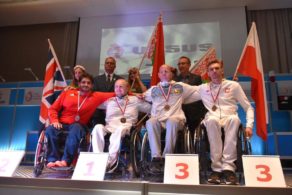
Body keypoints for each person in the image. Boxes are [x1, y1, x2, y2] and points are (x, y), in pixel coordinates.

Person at [197, 59, 254, 185]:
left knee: (234, 119)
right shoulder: (202, 88)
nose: (214, 71)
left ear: (222, 70)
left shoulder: (234, 85)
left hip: (229, 116)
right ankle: (216, 168)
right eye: (211, 69)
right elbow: (183, 93)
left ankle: (228, 169)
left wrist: (249, 126)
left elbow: (248, 107)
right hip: (213, 116)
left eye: (217, 68)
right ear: (208, 73)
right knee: (211, 120)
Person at [45, 73, 115, 168]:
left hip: (79, 125)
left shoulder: (96, 96)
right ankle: (52, 159)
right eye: (83, 82)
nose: (86, 84)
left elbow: (118, 92)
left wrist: (136, 94)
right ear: (79, 83)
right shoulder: (67, 93)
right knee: (50, 129)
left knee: (76, 128)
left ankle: (65, 161)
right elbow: (52, 109)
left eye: (88, 83)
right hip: (61, 123)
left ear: (92, 85)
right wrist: (54, 121)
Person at [143, 64, 198, 171]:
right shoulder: (153, 89)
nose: (164, 73)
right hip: (159, 120)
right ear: (158, 75)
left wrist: (216, 85)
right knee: (150, 122)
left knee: (172, 121)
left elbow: (198, 89)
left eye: (166, 71)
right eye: (162, 71)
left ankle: (166, 156)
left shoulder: (180, 86)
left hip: (176, 120)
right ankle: (156, 157)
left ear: (172, 74)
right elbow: (141, 96)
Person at [91, 79, 151, 170]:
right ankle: (98, 158)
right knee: (97, 127)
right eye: (116, 87)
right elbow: (91, 102)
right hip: (109, 128)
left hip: (126, 128)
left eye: (121, 86)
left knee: (120, 129)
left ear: (127, 88)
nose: (118, 89)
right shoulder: (109, 101)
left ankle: (110, 162)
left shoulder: (135, 100)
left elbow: (151, 108)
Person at [174, 56, 207, 131]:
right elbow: (175, 95)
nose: (180, 66)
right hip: (179, 109)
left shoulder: (196, 78)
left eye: (183, 63)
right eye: (179, 64)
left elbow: (200, 94)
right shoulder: (174, 80)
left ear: (189, 65)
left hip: (194, 110)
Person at [92, 57, 123, 125]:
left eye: (111, 63)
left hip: (115, 112)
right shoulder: (96, 79)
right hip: (99, 113)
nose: (109, 64)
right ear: (104, 65)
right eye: (107, 63)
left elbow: (122, 94)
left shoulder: (120, 80)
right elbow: (94, 95)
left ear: (115, 66)